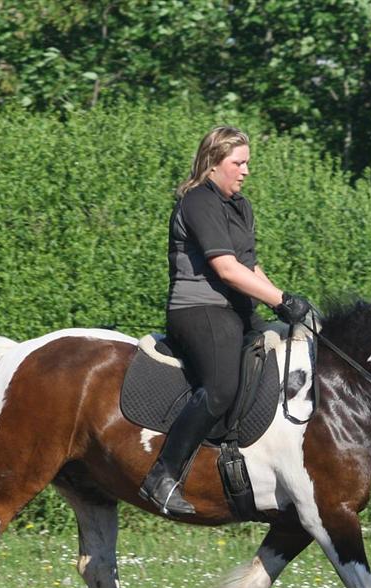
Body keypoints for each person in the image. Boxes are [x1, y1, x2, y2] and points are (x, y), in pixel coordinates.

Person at [139, 126, 311, 516]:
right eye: (238, 163)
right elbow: (227, 269)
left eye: (247, 162)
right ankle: (162, 476)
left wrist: (289, 304)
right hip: (198, 310)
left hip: (236, 311)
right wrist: (280, 300)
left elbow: (250, 267)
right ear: (214, 164)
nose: (245, 170)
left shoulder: (240, 206)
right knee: (220, 389)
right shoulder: (199, 201)